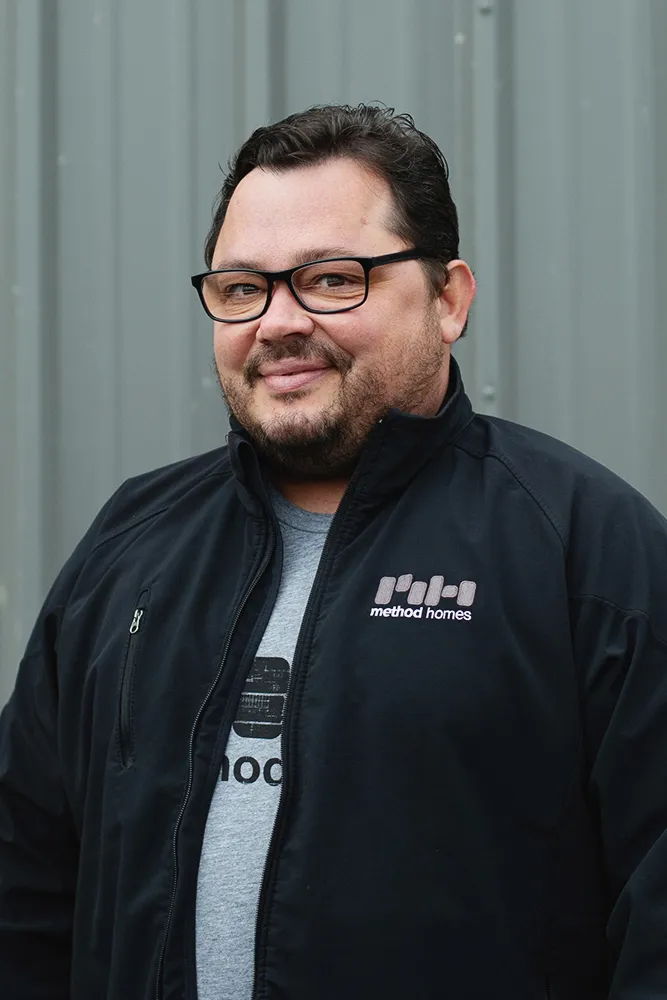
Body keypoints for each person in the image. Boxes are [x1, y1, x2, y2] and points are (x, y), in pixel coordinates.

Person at [1, 103, 667, 1000]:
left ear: (448, 298)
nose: (277, 322)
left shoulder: (585, 550)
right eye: (242, 288)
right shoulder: (131, 543)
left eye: (329, 278)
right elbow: (26, 881)